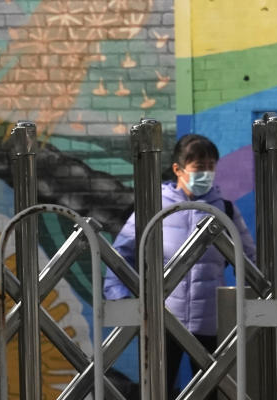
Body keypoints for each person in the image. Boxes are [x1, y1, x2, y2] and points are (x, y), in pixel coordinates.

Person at [104, 133, 257, 399]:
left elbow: (249, 261)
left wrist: (248, 305)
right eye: (199, 167)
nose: (206, 173)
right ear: (178, 169)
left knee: (210, 391)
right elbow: (122, 253)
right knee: (157, 389)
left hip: (211, 321)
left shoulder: (225, 210)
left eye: (211, 166)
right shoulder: (154, 208)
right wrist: (118, 297)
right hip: (162, 320)